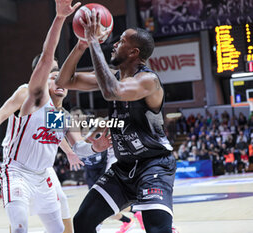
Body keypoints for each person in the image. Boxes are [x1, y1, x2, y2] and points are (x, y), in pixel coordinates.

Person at [0, 1, 110, 233]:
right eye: (52, 77)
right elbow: (47, 57)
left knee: (58, 229)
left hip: (42, 176)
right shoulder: (35, 99)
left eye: (62, 79)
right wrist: (59, 19)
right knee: (19, 227)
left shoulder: (62, 117)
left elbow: (79, 149)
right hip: (16, 171)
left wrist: (96, 148)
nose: (58, 81)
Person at [56, 9, 176, 233]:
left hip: (154, 164)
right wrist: (81, 44)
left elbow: (113, 91)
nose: (113, 44)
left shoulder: (148, 81)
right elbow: (63, 81)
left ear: (134, 52)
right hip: (123, 168)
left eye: (121, 41)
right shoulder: (111, 76)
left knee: (157, 229)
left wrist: (93, 42)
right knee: (82, 222)